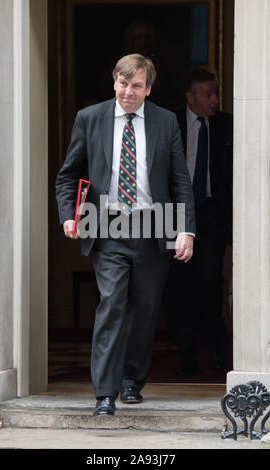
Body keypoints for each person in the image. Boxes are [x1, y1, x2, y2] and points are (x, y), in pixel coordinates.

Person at [55, 54, 196, 416]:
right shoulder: (90, 118)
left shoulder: (166, 121)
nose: (127, 92)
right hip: (107, 225)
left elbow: (180, 180)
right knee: (111, 304)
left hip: (155, 223)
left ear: (148, 89)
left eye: (136, 86)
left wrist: (186, 230)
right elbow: (67, 175)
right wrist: (69, 216)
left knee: (145, 309)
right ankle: (105, 392)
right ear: (114, 82)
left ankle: (132, 380)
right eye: (122, 83)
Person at [164, 68, 233, 376]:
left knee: (208, 283)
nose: (215, 99)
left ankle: (217, 349)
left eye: (215, 93)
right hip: (174, 214)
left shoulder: (227, 126)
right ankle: (187, 354)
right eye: (208, 94)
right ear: (190, 98)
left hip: (211, 214)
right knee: (176, 287)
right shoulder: (170, 123)